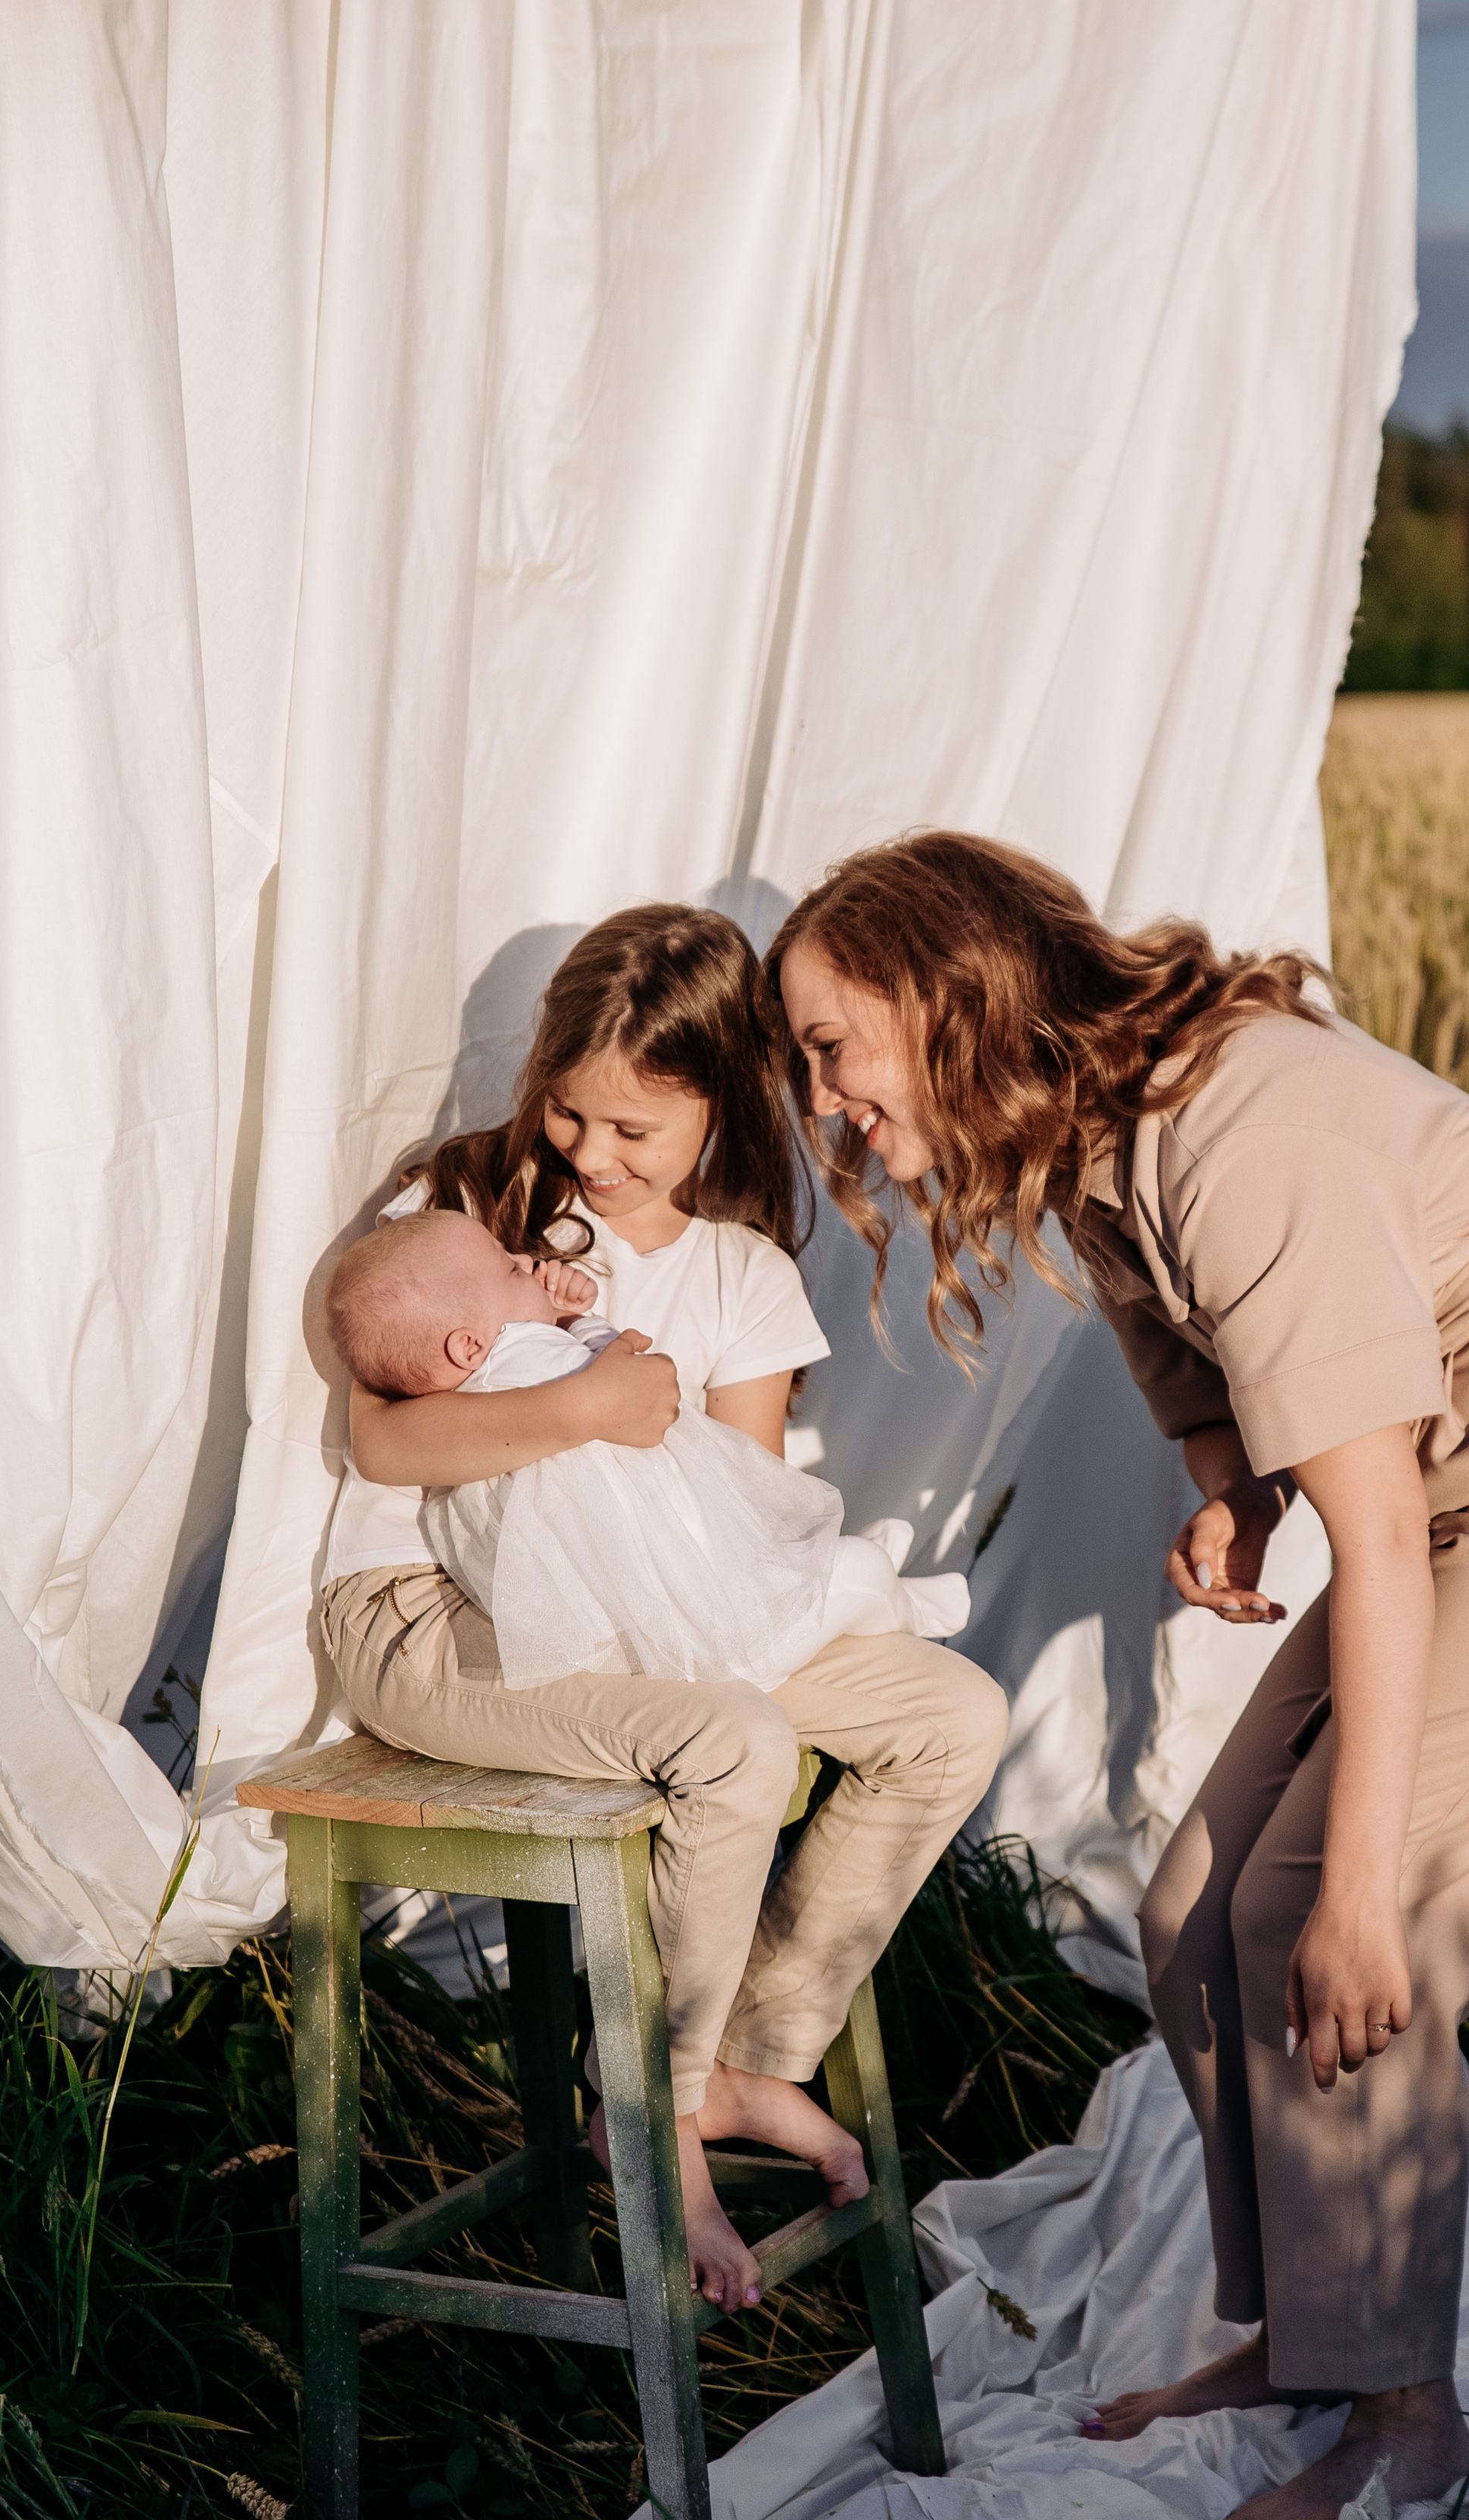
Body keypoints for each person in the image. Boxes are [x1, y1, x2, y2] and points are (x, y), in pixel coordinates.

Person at [767, 831, 1469, 2520]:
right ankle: (1311, 2337)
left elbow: (1375, 1534)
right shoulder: (1092, 1147)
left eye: (828, 1046)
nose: (822, 1101)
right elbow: (1206, 1387)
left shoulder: (1242, 1138)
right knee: (1190, 1911)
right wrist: (1232, 1485)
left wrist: (1368, 1890)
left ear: (950, 1001)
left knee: (1317, 1910)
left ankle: (1405, 2421)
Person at [318, 904, 1006, 2311]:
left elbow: (738, 1520)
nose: (593, 1155)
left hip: (672, 1614)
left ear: (721, 1107)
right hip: (434, 1613)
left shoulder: (743, 1278)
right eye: (571, 1114)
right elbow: (386, 1444)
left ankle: (756, 2055)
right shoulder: (475, 1213)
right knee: (738, 1743)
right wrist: (580, 1405)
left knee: (952, 1712)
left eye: (637, 1131)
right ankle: (656, 2114)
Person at [322, 1205, 967, 1691]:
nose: (526, 1262)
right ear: (468, 1345)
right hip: (695, 1625)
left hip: (659, 1588)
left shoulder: (487, 1374)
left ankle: (858, 1576)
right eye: (508, 1266)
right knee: (850, 1581)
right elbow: (620, 1368)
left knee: (815, 1581)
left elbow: (586, 1371)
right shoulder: (518, 1358)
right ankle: (902, 1601)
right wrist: (582, 1322)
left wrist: (566, 1319)